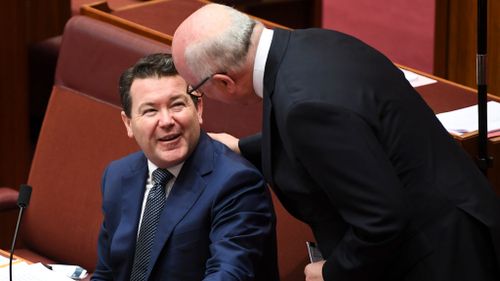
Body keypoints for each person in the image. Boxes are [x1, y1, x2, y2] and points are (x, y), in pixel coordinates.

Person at [172, 4, 500, 281]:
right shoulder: (310, 43)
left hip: (438, 256)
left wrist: (332, 271)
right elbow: (345, 136)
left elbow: (383, 221)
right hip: (457, 212)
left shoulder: (306, 106)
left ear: (224, 83)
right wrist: (244, 147)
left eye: (196, 89)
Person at [91, 53, 279, 281]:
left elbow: (228, 275)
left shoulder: (237, 183)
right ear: (128, 123)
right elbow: (107, 273)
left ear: (198, 108)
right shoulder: (118, 175)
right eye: (150, 111)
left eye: (177, 105)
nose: (167, 120)